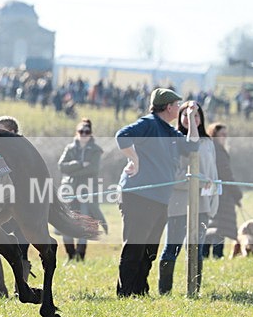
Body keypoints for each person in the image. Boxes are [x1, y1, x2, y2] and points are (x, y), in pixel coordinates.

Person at [115, 88, 199, 297]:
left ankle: (140, 291)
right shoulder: (149, 123)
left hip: (159, 199)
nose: (179, 108)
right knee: (135, 247)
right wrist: (134, 159)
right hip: (138, 196)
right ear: (168, 107)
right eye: (177, 105)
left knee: (149, 250)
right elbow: (122, 136)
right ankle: (125, 293)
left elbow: (192, 146)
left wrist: (190, 117)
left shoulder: (169, 131)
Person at [158, 102, 219, 295]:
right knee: (172, 248)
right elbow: (173, 175)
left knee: (196, 249)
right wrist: (197, 181)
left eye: (195, 115)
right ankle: (164, 291)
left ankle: (194, 290)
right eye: (186, 115)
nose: (191, 119)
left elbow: (213, 173)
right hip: (178, 204)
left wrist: (213, 198)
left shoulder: (208, 143)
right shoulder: (174, 141)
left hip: (201, 204)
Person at [0, 115, 32, 299]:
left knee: (22, 245)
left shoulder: (24, 152)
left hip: (21, 206)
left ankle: (21, 288)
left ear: (12, 133)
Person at [57, 118, 107, 262]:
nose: (84, 134)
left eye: (87, 131)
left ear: (91, 133)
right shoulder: (70, 148)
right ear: (77, 132)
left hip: (88, 191)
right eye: (81, 131)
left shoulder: (96, 150)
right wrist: (79, 164)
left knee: (85, 224)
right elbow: (61, 166)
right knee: (66, 222)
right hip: (69, 190)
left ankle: (80, 256)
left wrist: (73, 170)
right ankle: (70, 255)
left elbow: (93, 169)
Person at [203, 123, 243, 259]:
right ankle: (217, 254)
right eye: (222, 134)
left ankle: (204, 254)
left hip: (210, 192)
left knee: (210, 225)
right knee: (219, 226)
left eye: (226, 135)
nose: (225, 137)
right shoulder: (218, 151)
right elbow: (226, 174)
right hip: (221, 193)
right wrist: (237, 194)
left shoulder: (210, 149)